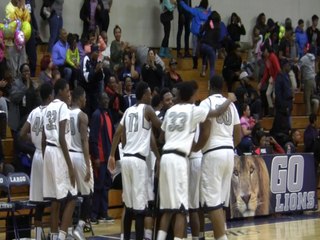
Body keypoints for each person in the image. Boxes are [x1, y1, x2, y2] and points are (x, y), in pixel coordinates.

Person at [156, 80, 236, 240]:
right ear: (192, 95)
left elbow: (161, 137)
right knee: (182, 209)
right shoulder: (195, 110)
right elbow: (218, 112)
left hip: (165, 157)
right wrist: (230, 99)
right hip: (180, 159)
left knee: (167, 208)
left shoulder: (171, 111)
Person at [108, 81, 161, 240]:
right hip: (138, 162)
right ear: (144, 94)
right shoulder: (148, 109)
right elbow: (160, 127)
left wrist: (112, 155)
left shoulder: (129, 111)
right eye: (150, 93)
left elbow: (118, 133)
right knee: (139, 209)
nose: (151, 96)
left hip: (126, 160)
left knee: (129, 206)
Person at [191, 76, 241, 240]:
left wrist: (196, 148)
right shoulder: (231, 106)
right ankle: (222, 234)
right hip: (229, 153)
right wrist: (230, 145)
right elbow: (238, 135)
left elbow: (205, 133)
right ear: (223, 87)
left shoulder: (206, 103)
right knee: (219, 203)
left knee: (212, 204)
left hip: (213, 153)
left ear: (209, 85)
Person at [41, 79, 77, 240]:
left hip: (48, 151)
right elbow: (62, 138)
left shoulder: (47, 108)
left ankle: (54, 235)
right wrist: (70, 166)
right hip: (58, 151)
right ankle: (62, 236)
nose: (69, 93)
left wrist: (46, 159)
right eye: (67, 90)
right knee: (72, 197)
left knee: (55, 200)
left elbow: (43, 139)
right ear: (60, 91)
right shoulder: (62, 107)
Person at [19, 83, 53, 240]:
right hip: (48, 155)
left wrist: (33, 139)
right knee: (55, 199)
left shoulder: (33, 112)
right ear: (50, 96)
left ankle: (39, 236)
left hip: (37, 156)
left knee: (39, 201)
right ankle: (54, 235)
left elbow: (21, 134)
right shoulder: (51, 111)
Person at [69, 86, 94, 240]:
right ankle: (80, 228)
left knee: (71, 195)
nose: (86, 100)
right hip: (79, 156)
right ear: (80, 98)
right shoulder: (82, 116)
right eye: (84, 97)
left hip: (68, 156)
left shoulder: (65, 113)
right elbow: (85, 141)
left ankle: (71, 230)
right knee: (88, 194)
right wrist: (87, 166)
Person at [89, 92, 114, 224]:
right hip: (100, 158)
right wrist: (96, 157)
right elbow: (93, 138)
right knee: (98, 187)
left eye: (107, 98)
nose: (106, 101)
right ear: (99, 100)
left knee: (105, 186)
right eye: (103, 99)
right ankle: (93, 215)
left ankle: (103, 213)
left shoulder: (108, 114)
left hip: (107, 158)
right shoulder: (97, 115)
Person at [178, 0, 210, 69]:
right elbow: (211, 24)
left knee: (195, 50)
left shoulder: (196, 10)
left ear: (200, 4)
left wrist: (181, 2)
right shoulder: (208, 13)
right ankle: (205, 65)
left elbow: (187, 8)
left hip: (196, 33)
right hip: (204, 34)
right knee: (204, 49)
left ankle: (195, 65)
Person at [5, 0, 30, 78]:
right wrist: (19, 9)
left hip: (21, 41)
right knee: (13, 67)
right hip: (12, 42)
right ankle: (14, 87)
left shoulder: (23, 6)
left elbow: (27, 21)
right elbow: (13, 24)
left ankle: (22, 85)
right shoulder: (9, 8)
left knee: (23, 65)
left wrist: (23, 9)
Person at [270, 59, 293, 137]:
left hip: (288, 105)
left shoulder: (287, 76)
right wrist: (283, 106)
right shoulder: (280, 77)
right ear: (284, 66)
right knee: (282, 127)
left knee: (288, 127)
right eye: (288, 65)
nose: (290, 67)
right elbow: (278, 94)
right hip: (283, 108)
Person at [258, 44, 281, 116]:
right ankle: (271, 109)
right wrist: (261, 83)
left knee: (274, 96)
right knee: (268, 94)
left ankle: (277, 111)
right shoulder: (267, 59)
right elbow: (266, 72)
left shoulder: (273, 56)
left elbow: (278, 69)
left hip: (277, 77)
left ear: (267, 50)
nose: (263, 53)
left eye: (263, 51)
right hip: (272, 78)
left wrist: (274, 79)